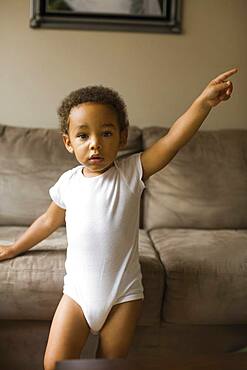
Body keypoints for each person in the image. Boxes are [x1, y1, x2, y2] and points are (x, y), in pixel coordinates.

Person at [0, 67, 238, 370]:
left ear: (123, 137)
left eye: (106, 133)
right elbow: (47, 221)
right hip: (76, 294)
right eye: (83, 135)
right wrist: (13, 248)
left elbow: (173, 140)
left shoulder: (130, 173)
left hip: (123, 296)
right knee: (53, 364)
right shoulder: (68, 183)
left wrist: (204, 103)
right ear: (68, 142)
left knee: (110, 365)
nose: (95, 143)